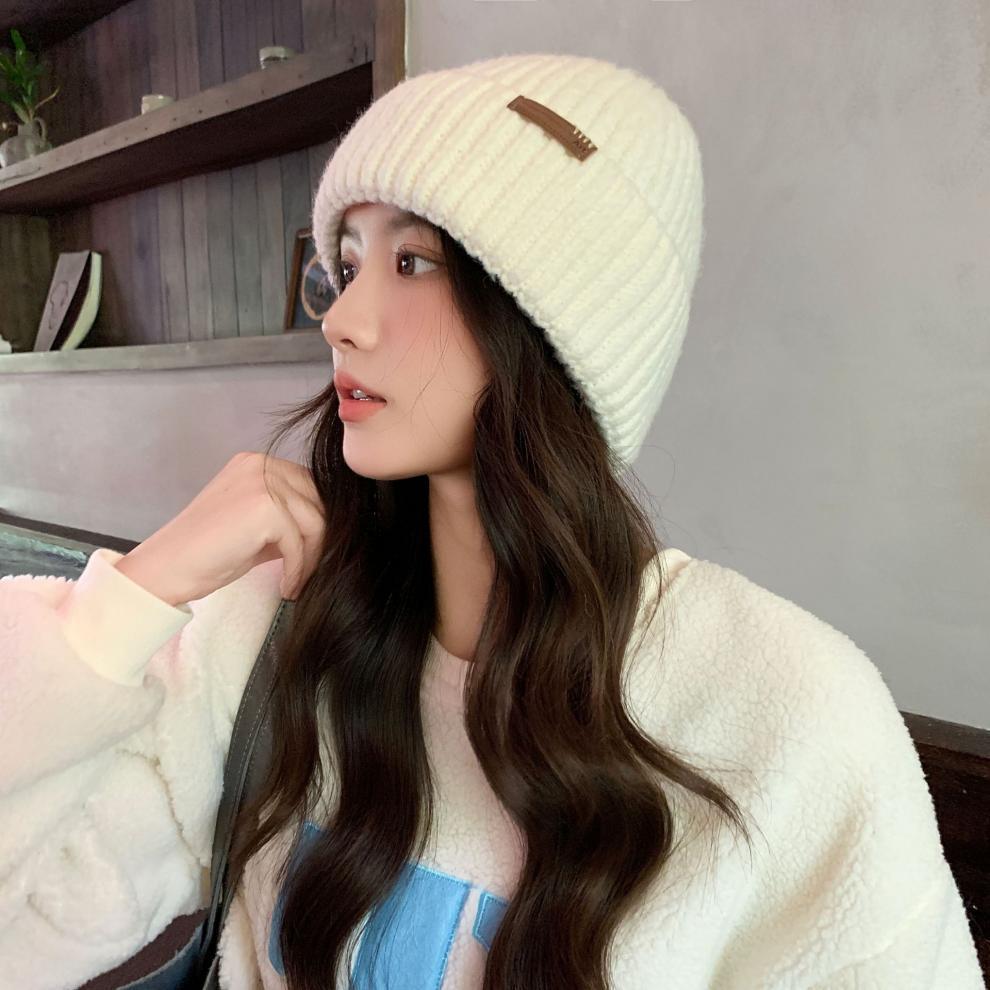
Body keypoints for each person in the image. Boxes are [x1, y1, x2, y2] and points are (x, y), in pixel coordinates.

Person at [0, 52, 983, 990]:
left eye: (414, 261)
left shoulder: (784, 714)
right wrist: (133, 598)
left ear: (556, 327)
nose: (341, 319)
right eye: (348, 264)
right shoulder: (274, 628)